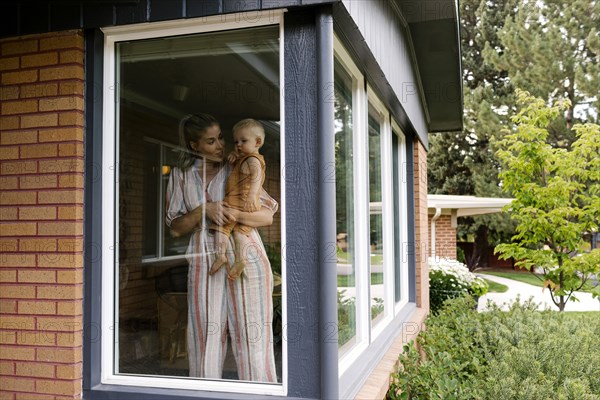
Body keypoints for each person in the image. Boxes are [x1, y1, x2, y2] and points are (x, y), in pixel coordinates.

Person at [165, 113, 278, 382]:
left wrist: (234, 215)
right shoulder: (181, 176)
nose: (221, 146)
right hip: (206, 260)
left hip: (246, 256)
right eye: (211, 141)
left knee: (252, 336)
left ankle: (259, 393)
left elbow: (267, 216)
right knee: (205, 335)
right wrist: (206, 209)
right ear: (195, 145)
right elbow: (175, 227)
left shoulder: (240, 166)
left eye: (221, 138)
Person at [210, 119, 267, 280]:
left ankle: (220, 255)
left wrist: (251, 196)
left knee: (222, 227)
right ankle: (241, 259)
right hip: (246, 205)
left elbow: (256, 177)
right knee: (239, 233)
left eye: (243, 141)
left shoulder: (253, 160)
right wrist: (235, 157)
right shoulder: (246, 158)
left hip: (238, 201)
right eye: (236, 142)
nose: (238, 145)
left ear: (257, 142)